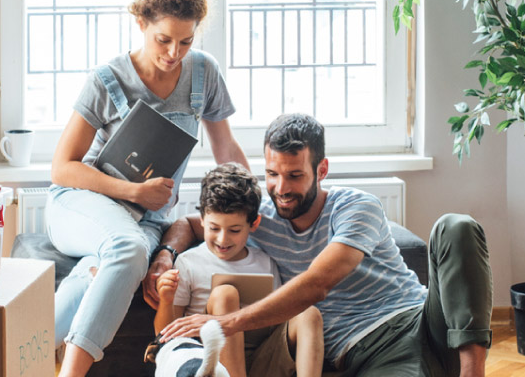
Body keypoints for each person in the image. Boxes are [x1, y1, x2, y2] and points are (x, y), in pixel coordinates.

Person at [161, 113, 493, 377]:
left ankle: (472, 371)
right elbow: (192, 223)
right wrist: (165, 256)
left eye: (294, 175)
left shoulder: (356, 206)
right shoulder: (259, 218)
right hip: (368, 352)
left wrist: (225, 323)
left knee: (456, 226)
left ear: (322, 170)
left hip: (422, 320)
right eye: (272, 174)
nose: (281, 188)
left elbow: (318, 283)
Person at [46, 0, 249, 377]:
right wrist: (134, 192)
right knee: (128, 249)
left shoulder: (204, 74)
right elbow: (62, 169)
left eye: (185, 42)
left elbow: (226, 147)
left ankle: (24, 355)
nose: (174, 53)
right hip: (80, 204)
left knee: (100, 270)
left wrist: (255, 203)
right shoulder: (107, 79)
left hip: (147, 221)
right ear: (140, 22)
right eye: (163, 40)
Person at [153, 163, 323, 377]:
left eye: (234, 230)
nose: (223, 239)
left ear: (253, 224)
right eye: (214, 228)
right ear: (203, 220)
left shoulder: (265, 262)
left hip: (262, 357)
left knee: (309, 313)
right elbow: (166, 336)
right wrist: (167, 300)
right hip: (210, 363)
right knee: (225, 293)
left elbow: (279, 317)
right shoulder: (188, 263)